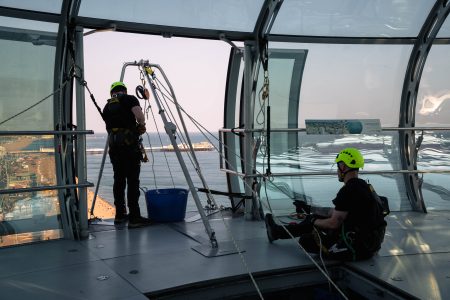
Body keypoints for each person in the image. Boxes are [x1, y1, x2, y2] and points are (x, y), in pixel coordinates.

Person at [265, 148, 387, 261]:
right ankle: (277, 232)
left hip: (356, 249)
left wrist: (312, 221)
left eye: (338, 165)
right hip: (370, 245)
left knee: (306, 240)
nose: (337, 170)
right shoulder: (365, 187)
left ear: (343, 166)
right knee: (314, 219)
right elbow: (337, 212)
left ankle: (276, 232)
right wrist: (310, 209)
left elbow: (334, 223)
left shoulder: (347, 191)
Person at [103, 81, 152, 228]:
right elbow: (139, 116)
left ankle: (119, 215)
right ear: (124, 90)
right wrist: (141, 126)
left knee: (118, 180)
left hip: (114, 150)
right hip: (130, 148)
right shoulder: (130, 99)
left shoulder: (107, 107)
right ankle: (135, 217)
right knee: (132, 181)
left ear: (112, 93)